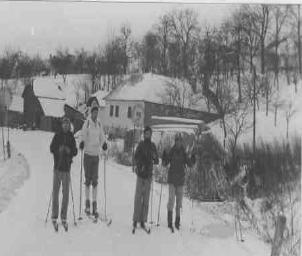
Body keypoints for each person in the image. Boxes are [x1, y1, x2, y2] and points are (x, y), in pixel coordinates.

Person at [162, 133, 196, 230]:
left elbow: (189, 164)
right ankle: (169, 221)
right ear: (175, 141)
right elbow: (165, 163)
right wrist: (164, 156)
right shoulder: (172, 151)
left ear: (181, 142)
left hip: (181, 180)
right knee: (171, 200)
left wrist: (193, 159)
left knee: (179, 202)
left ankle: (177, 222)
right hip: (172, 180)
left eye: (180, 141)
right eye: (177, 141)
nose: (178, 143)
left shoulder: (184, 153)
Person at [50, 116, 78, 230]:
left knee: (65, 194)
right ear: (62, 125)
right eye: (64, 124)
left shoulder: (71, 137)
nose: (66, 125)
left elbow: (75, 151)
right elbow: (51, 148)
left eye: (67, 124)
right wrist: (58, 150)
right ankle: (54, 216)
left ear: (69, 125)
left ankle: (64, 216)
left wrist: (69, 151)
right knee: (55, 193)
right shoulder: (57, 135)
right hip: (57, 167)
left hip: (66, 169)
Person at [79, 106, 107, 218]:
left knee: (95, 180)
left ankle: (94, 205)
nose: (95, 114)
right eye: (94, 112)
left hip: (96, 155)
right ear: (91, 113)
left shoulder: (99, 124)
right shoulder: (87, 123)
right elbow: (83, 135)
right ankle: (87, 204)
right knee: (88, 179)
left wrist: (104, 144)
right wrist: (81, 142)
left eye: (97, 112)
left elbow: (102, 136)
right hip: (87, 154)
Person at [132, 126, 159, 229]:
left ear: (151, 134)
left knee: (146, 199)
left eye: (149, 133)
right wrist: (140, 162)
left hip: (148, 175)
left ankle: (143, 220)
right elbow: (135, 156)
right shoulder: (141, 144)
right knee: (138, 198)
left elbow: (156, 160)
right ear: (144, 134)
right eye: (146, 133)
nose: (147, 135)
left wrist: (154, 157)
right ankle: (135, 219)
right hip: (140, 173)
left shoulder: (153, 146)